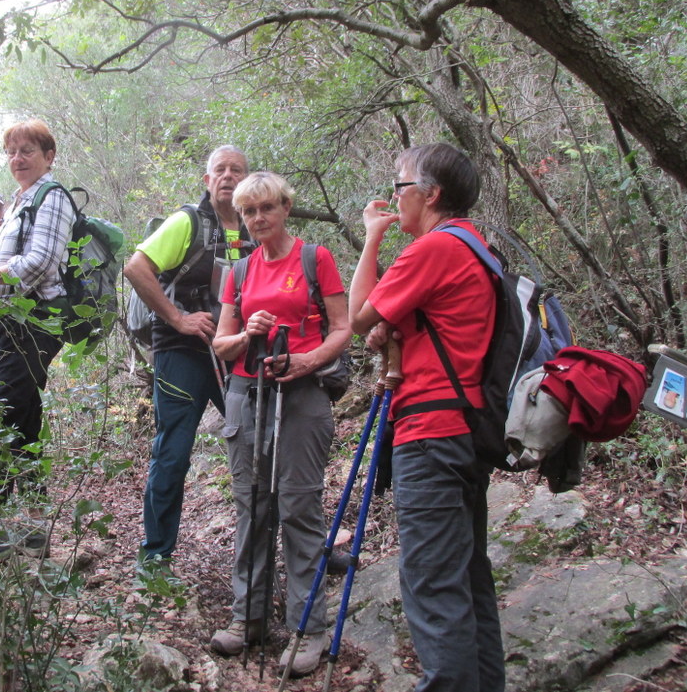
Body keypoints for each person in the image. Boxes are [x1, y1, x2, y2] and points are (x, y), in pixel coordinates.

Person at [347, 143, 505, 692]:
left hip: (430, 433)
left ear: (432, 194)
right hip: (465, 430)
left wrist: (371, 236)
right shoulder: (476, 247)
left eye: (401, 184)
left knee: (433, 583)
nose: (394, 196)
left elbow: (358, 315)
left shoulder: (434, 250)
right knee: (468, 579)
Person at [210, 171, 350, 677]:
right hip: (247, 395)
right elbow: (220, 345)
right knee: (252, 507)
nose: (258, 219)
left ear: (286, 208)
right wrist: (247, 332)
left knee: (298, 507)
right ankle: (248, 619)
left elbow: (342, 328)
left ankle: (308, 629)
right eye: (249, 212)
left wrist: (306, 362)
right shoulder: (240, 272)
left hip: (301, 396)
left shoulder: (316, 259)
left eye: (266, 208)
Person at [123, 145, 252, 566]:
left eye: (237, 170)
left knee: (257, 445)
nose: (228, 177)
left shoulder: (251, 229)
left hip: (235, 354)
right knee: (174, 451)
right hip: (182, 354)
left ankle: (268, 548)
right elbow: (136, 267)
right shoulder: (188, 222)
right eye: (221, 170)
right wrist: (178, 318)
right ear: (208, 179)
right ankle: (157, 554)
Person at [0, 119, 73, 553]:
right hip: (11, 321)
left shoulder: (53, 196)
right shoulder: (20, 202)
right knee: (23, 418)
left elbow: (43, 261)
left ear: (48, 156)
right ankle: (31, 526)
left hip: (34, 320)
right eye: (12, 152)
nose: (18, 158)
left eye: (28, 150)